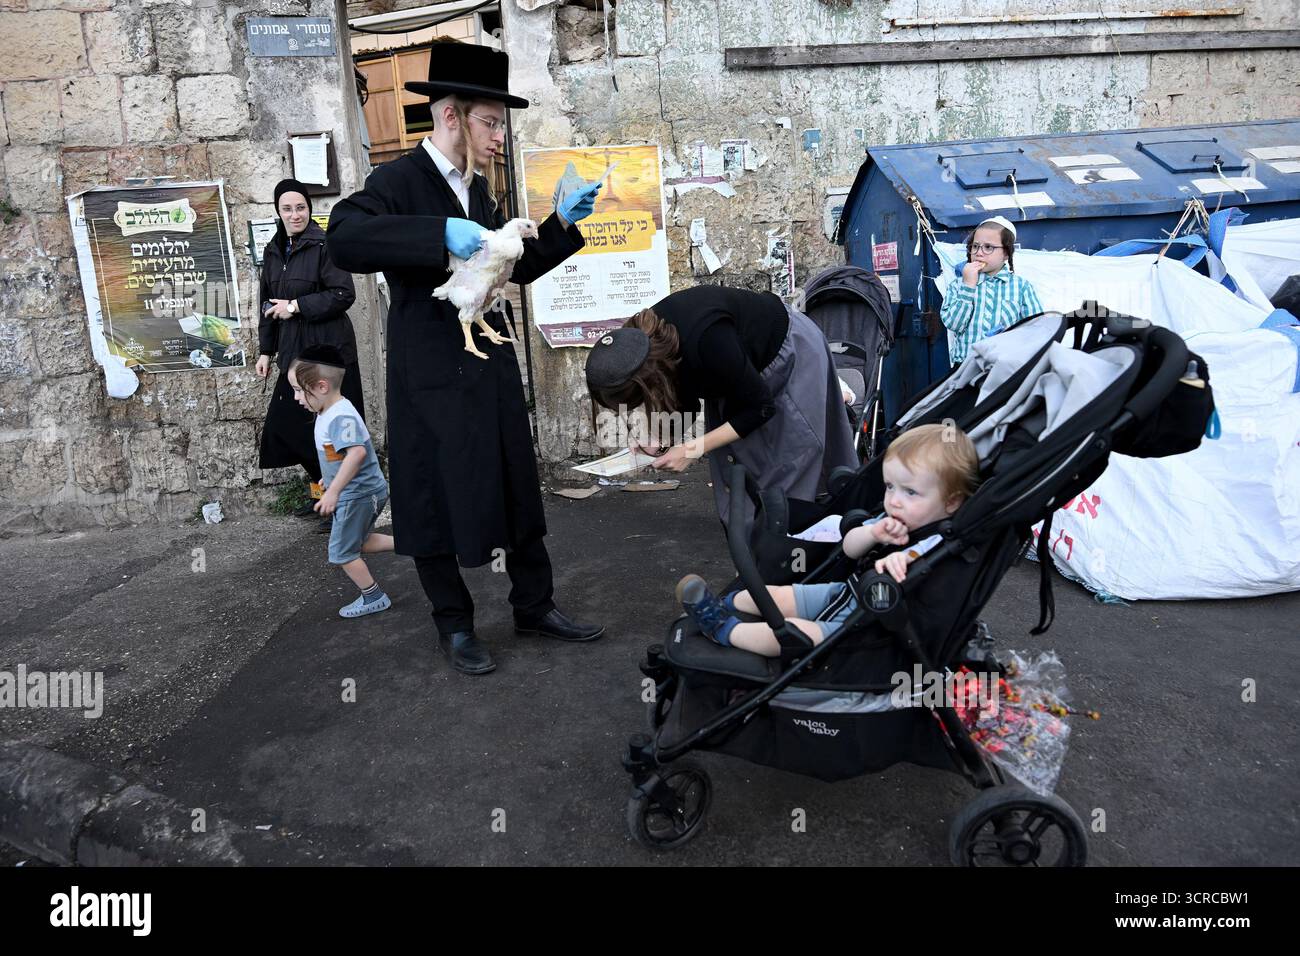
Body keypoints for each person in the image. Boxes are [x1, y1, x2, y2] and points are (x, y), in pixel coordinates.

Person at [327, 40, 605, 676]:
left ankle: (534, 605)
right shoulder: (397, 181)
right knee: (431, 496)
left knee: (515, 482)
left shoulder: (480, 192)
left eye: (501, 124)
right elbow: (344, 237)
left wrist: (561, 224)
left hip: (488, 362)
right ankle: (453, 625)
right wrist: (435, 234)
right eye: (490, 122)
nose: (500, 136)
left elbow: (509, 269)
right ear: (450, 116)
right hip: (428, 370)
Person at [675, 423, 979, 657]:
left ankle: (723, 629)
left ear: (951, 502)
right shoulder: (891, 521)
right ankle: (725, 604)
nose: (895, 500)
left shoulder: (939, 543)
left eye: (910, 492)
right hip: (845, 593)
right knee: (776, 595)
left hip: (866, 627)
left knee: (793, 633)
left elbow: (926, 572)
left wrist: (903, 559)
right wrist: (873, 533)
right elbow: (849, 547)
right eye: (890, 487)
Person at [585, 285, 858, 532]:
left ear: (649, 378)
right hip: (736, 374)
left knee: (790, 469)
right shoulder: (641, 346)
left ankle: (795, 554)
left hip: (784, 356)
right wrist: (660, 438)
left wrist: (691, 450)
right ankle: (758, 551)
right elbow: (686, 397)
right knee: (738, 475)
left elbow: (760, 408)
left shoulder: (708, 340)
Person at [256, 178, 366, 528]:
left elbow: (343, 294)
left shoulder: (324, 245)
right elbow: (266, 304)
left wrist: (296, 306)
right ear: (278, 212)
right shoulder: (273, 250)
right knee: (290, 429)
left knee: (333, 433)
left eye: (300, 207)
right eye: (287, 208)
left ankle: (342, 503)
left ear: (309, 209)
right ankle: (322, 494)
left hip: (327, 354)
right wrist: (265, 350)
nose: (295, 214)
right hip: (293, 352)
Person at [288, 345, 394, 619]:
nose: (296, 397)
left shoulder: (340, 416)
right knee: (360, 542)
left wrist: (333, 491)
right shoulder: (331, 411)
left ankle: (374, 597)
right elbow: (339, 453)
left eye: (299, 390)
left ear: (321, 386)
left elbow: (357, 453)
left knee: (342, 552)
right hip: (360, 492)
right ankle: (414, 543)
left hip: (357, 494)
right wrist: (330, 477)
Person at [940, 215, 1043, 366]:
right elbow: (954, 324)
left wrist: (1011, 336)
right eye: (975, 246)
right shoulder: (957, 285)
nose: (979, 253)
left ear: (1006, 253)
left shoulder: (1021, 287)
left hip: (1005, 366)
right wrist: (968, 286)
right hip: (965, 366)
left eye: (988, 247)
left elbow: (1036, 329)